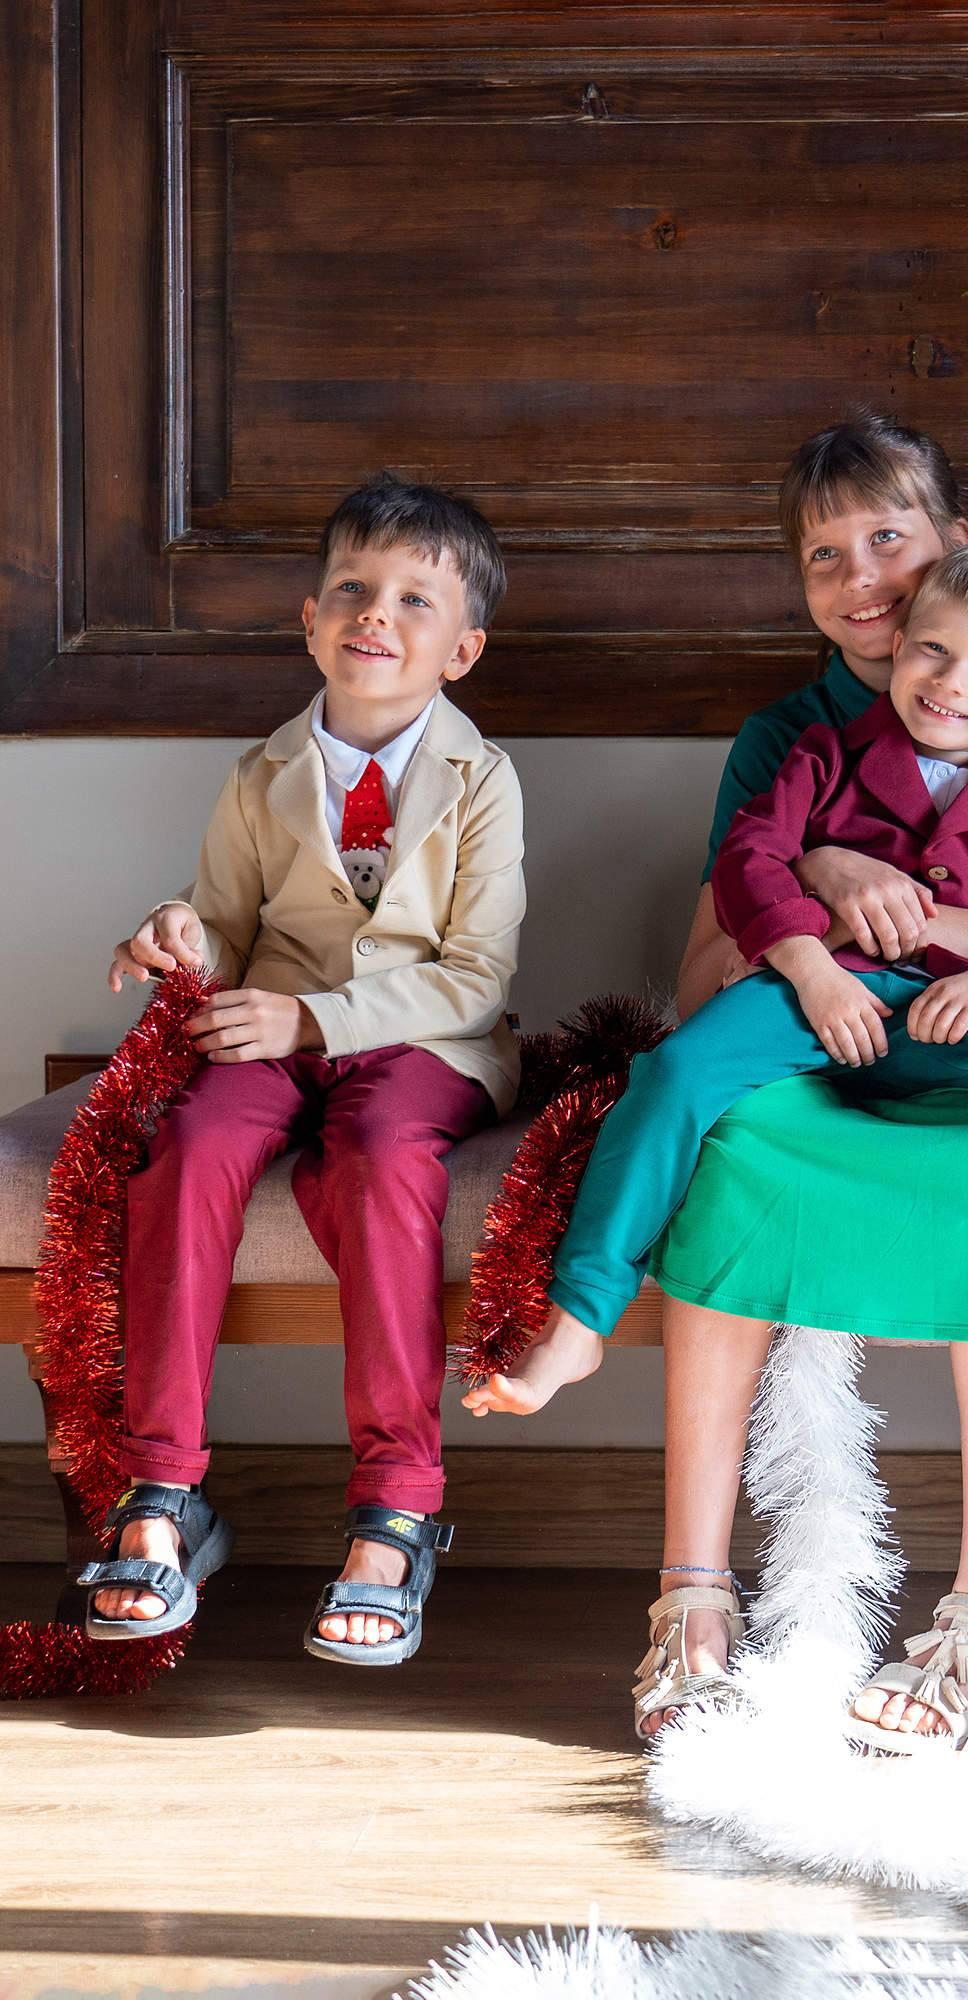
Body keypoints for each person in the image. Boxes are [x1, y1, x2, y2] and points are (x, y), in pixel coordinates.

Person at [472, 538, 968, 1749]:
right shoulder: (821, 750)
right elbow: (749, 863)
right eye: (932, 648)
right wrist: (812, 963)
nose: (948, 680)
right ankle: (581, 1312)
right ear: (898, 645)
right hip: (812, 994)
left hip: (958, 1016)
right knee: (673, 1073)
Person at [78, 474, 525, 1666]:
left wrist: (315, 1018)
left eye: (414, 599)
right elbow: (226, 919)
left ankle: (398, 1505)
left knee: (377, 1160)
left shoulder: (483, 783)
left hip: (419, 1044)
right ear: (310, 618)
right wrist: (179, 930)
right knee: (193, 1144)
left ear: (462, 648)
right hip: (265, 1027)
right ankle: (161, 1490)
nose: (374, 613)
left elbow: (474, 976)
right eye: (351, 588)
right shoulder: (259, 773)